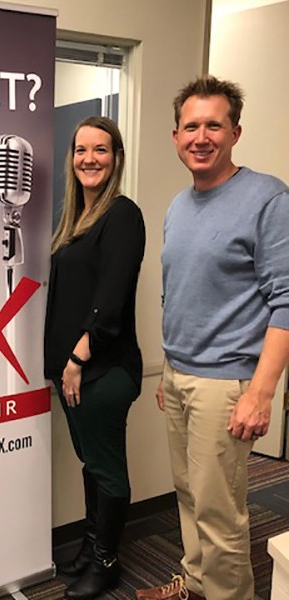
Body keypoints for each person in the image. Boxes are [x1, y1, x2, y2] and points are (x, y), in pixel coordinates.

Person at [136, 76, 289, 600]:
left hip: (226, 384)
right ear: (175, 136)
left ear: (235, 132)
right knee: (189, 496)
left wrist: (261, 392)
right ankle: (196, 585)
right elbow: (181, 294)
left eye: (214, 125)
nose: (201, 137)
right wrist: (169, 367)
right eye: (191, 126)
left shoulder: (267, 198)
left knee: (221, 512)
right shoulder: (180, 205)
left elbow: (286, 300)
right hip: (181, 376)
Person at [44, 116, 145, 599]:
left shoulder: (122, 214)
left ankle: (106, 561)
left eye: (101, 150)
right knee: (92, 464)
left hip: (100, 370)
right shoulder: (76, 220)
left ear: (116, 158)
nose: (89, 159)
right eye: (81, 150)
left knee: (107, 470)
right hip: (75, 372)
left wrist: (78, 357)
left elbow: (112, 294)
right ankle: (90, 546)